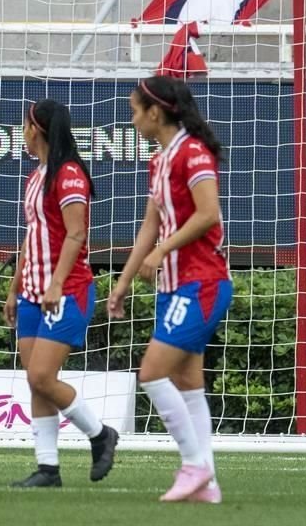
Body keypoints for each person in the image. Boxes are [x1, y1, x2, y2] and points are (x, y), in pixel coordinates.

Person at [107, 76, 231, 503]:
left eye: (134, 110)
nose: (132, 118)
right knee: (187, 383)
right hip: (174, 286)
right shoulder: (159, 161)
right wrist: (122, 282)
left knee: (152, 372)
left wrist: (162, 251)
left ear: (154, 113)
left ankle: (193, 464)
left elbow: (208, 213)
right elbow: (150, 224)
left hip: (201, 283)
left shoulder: (191, 153)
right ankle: (208, 483)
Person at [4, 99, 118, 488]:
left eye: (24, 125)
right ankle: (47, 468)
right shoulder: (37, 174)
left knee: (42, 375)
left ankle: (100, 434)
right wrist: (15, 287)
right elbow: (32, 235)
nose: (22, 131)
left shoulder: (68, 174)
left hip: (65, 291)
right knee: (35, 380)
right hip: (32, 293)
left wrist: (54, 284)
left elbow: (76, 233)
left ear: (36, 128)